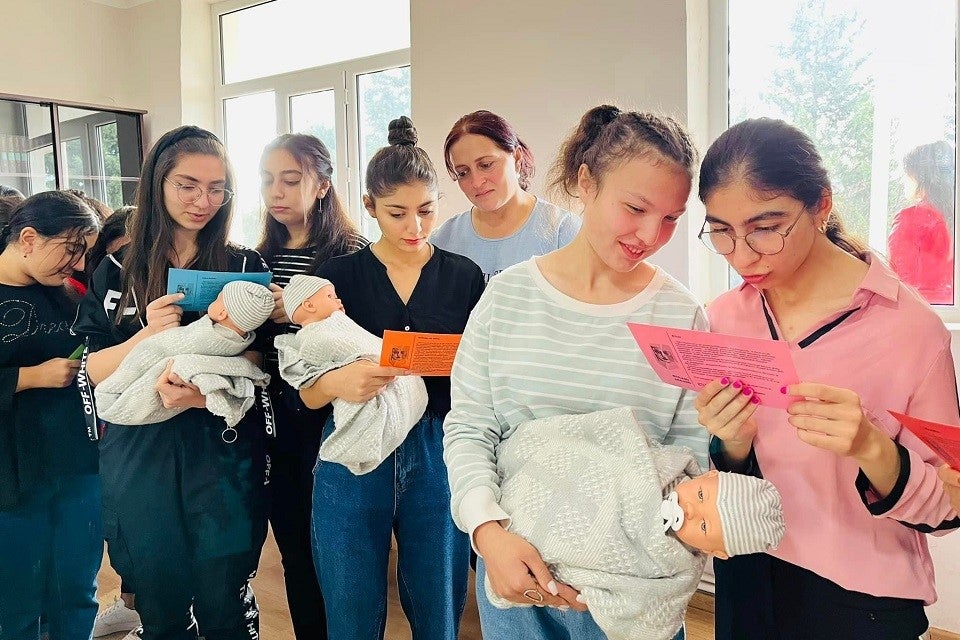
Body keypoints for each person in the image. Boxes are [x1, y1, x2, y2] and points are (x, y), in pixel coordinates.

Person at [443, 105, 707, 640]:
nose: (651, 234)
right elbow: (470, 428)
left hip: (636, 591)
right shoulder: (506, 298)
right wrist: (488, 535)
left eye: (672, 218)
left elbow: (690, 456)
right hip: (520, 579)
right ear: (586, 182)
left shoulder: (681, 317)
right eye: (635, 207)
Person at [694, 117, 960, 640]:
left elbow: (950, 506)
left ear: (821, 204)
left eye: (766, 228)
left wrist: (871, 447)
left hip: (862, 601)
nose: (742, 256)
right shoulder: (725, 318)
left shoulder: (912, 331)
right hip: (747, 567)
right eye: (722, 231)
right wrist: (731, 445)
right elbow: (728, 474)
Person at [73, 125, 271, 640]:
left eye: (216, 187)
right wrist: (146, 337)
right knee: (159, 603)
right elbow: (88, 369)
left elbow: (267, 363)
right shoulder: (117, 270)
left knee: (224, 599)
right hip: (140, 457)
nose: (202, 200)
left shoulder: (245, 267)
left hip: (221, 456)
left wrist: (206, 393)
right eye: (187, 184)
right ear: (158, 182)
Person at [299, 116, 485, 640]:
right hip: (353, 443)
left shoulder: (463, 276)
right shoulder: (337, 278)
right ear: (368, 206)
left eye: (426, 211)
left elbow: (478, 381)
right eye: (396, 213)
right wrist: (339, 383)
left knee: (438, 604)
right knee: (350, 608)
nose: (414, 228)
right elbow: (304, 388)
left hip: (437, 446)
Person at [485, 406, 785, 640]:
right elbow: (616, 446)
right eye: (702, 494)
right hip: (553, 482)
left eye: (705, 527)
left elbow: (649, 614)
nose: (692, 510)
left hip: (564, 573)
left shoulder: (676, 572)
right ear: (708, 476)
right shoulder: (661, 464)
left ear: (718, 552)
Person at [256, 133, 367, 640]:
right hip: (275, 424)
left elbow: (361, 340)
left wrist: (302, 321)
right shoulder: (255, 259)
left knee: (344, 559)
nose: (276, 191)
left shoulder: (351, 256)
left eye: (291, 179)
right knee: (296, 552)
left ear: (322, 185)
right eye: (267, 179)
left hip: (338, 421)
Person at [0, 190, 102, 640]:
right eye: (71, 249)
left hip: (78, 463)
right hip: (13, 475)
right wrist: (27, 377)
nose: (78, 265)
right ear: (28, 238)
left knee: (76, 589)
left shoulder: (70, 295)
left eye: (85, 253)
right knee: (18, 596)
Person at [275, 274, 428, 474]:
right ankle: (361, 442)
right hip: (351, 394)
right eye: (331, 296)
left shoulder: (340, 323)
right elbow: (332, 348)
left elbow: (365, 340)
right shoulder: (314, 336)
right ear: (309, 305)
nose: (339, 301)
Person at [94, 281, 274, 429]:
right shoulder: (112, 270)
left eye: (218, 298)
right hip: (137, 445)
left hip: (214, 440)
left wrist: (207, 396)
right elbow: (91, 368)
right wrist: (151, 331)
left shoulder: (246, 262)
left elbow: (171, 344)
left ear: (222, 313)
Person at [432, 109, 580, 282]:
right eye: (463, 173)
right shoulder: (443, 241)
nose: (477, 182)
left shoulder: (563, 231)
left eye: (486, 165)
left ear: (517, 158)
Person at [888, 141, 955, 305]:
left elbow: (898, 277)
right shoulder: (951, 217)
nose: (902, 181)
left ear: (918, 178)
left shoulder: (910, 218)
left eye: (906, 175)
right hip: (946, 307)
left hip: (917, 308)